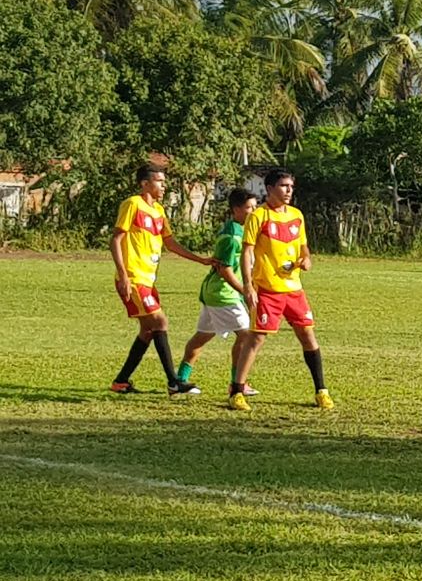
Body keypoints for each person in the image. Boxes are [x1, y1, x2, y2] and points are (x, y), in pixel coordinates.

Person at [229, 168, 332, 411]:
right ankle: (236, 391)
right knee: (256, 338)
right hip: (267, 288)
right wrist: (248, 285)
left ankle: (321, 391)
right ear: (269, 189)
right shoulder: (259, 217)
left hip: (294, 288)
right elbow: (247, 252)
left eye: (291, 187)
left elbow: (304, 247)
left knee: (308, 336)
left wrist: (306, 259)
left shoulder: (296, 215)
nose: (289, 191)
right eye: (284, 186)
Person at [109, 163, 213, 396]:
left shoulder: (158, 211)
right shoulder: (132, 204)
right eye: (160, 181)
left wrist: (200, 260)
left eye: (164, 182)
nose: (164, 186)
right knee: (160, 322)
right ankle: (174, 382)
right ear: (144, 183)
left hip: (148, 280)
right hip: (134, 278)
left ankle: (121, 381)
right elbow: (116, 240)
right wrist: (123, 274)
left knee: (148, 330)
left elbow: (170, 243)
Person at [175, 188, 258, 399]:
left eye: (256, 207)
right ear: (236, 210)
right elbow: (224, 269)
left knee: (201, 337)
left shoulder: (241, 230)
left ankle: (179, 381)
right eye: (250, 208)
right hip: (223, 294)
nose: (254, 211)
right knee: (247, 336)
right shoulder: (231, 236)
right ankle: (237, 384)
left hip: (214, 293)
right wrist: (245, 291)